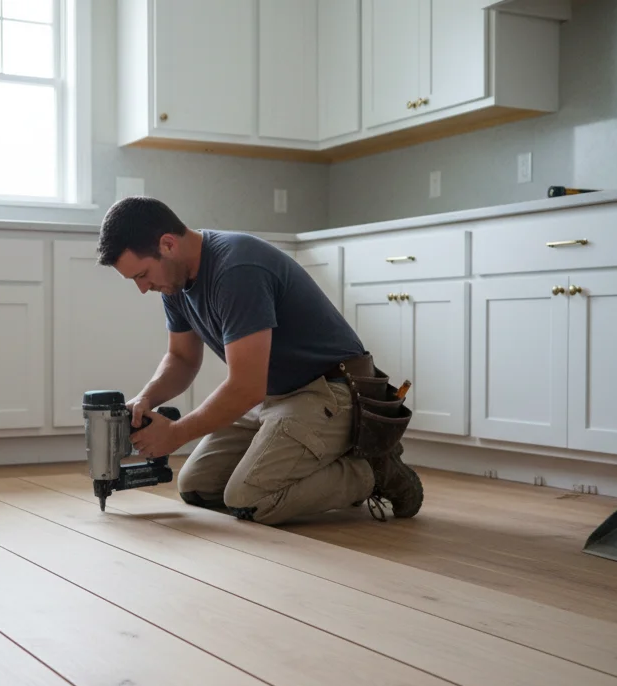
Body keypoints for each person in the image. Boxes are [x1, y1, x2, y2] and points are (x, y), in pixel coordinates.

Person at [95, 196, 423, 525]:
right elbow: (181, 357)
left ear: (167, 244)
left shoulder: (237, 269)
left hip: (332, 389)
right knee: (197, 487)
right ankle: (317, 458)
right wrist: (147, 398)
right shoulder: (173, 284)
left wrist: (177, 433)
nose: (142, 288)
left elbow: (245, 386)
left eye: (142, 275)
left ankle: (373, 470)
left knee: (250, 499)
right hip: (276, 395)